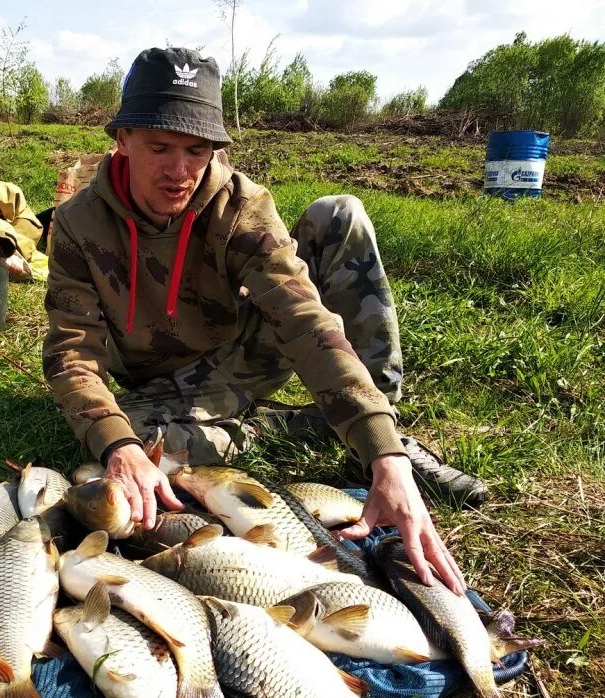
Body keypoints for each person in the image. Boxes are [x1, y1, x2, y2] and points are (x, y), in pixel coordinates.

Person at [42, 47, 482, 593]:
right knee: (125, 451)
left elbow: (303, 318)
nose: (179, 171)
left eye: (197, 149)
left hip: (249, 349)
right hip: (163, 385)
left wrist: (384, 454)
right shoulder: (79, 222)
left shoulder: (241, 206)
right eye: (159, 148)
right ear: (123, 139)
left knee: (338, 213)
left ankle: (379, 430)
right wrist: (119, 445)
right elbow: (72, 351)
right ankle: (309, 424)